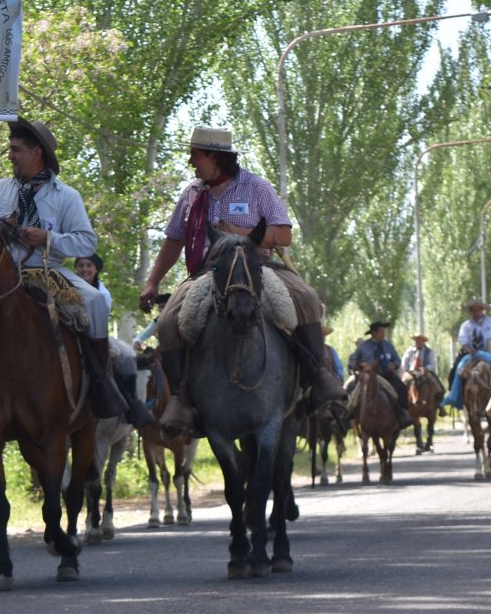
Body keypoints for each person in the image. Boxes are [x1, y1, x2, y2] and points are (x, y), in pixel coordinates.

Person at [0, 117, 152, 429]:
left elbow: (87, 240)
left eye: (16, 149)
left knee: (94, 301)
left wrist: (49, 238)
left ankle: (102, 384)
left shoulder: (66, 196)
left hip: (48, 270)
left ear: (37, 152)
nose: (10, 155)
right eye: (10, 149)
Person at [135, 126, 345, 434]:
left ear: (215, 157)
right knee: (167, 322)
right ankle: (182, 400)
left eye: (196, 155)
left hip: (256, 265)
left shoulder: (256, 187)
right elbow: (173, 240)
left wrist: (239, 234)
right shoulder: (191, 194)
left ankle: (318, 377)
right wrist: (153, 281)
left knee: (307, 298)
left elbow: (284, 234)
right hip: (208, 272)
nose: (191, 162)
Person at [440, 299, 491, 408]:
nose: (476, 313)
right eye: (473, 310)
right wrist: (469, 349)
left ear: (482, 310)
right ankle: (454, 396)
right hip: (470, 354)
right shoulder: (466, 325)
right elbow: (463, 340)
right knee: (458, 369)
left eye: (478, 310)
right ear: (470, 312)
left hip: (488, 353)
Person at [349, 322, 413, 428]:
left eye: (384, 331)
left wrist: (394, 365)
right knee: (352, 389)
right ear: (373, 333)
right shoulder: (363, 347)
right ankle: (349, 413)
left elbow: (397, 359)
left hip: (387, 375)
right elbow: (353, 362)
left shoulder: (388, 346)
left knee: (401, 387)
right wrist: (359, 367)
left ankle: (403, 413)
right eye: (381, 331)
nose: (383, 334)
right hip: (368, 376)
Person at [73, 253, 113, 331]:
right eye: (81, 266)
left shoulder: (102, 294)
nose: (84, 269)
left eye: (89, 265)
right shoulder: (68, 287)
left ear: (96, 269)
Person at [401, 333, 445, 403]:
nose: (418, 342)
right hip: (411, 372)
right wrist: (406, 371)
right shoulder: (409, 351)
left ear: (423, 341)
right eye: (417, 340)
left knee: (437, 385)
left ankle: (439, 404)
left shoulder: (429, 351)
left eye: (420, 340)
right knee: (402, 384)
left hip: (424, 372)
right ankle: (402, 405)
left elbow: (432, 364)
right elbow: (404, 362)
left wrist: (426, 368)